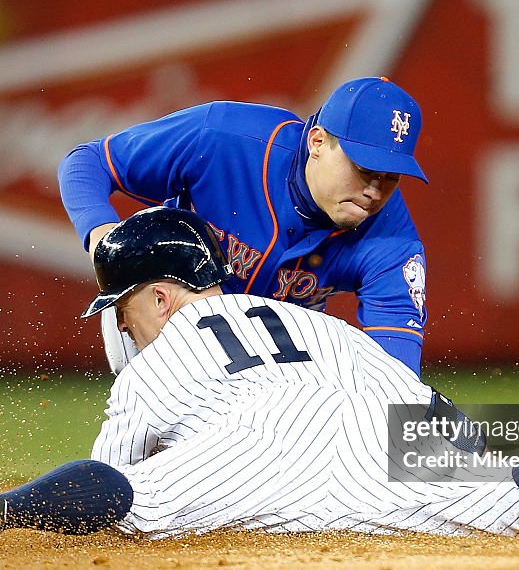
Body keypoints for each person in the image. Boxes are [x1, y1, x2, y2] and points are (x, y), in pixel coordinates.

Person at [0, 208, 519, 552]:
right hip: (372, 422)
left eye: (118, 308)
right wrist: (469, 454)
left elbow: (110, 477)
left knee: (134, 505)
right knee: (510, 486)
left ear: (158, 296)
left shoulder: (167, 349)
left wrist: (30, 504)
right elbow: (426, 408)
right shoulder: (311, 318)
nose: (118, 327)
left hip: (253, 440)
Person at [58, 77, 431, 376]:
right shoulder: (226, 139)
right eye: (364, 169)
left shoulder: (392, 240)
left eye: (390, 177)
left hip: (273, 352)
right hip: (168, 315)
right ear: (318, 141)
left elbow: (396, 374)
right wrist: (101, 237)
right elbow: (88, 162)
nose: (373, 190)